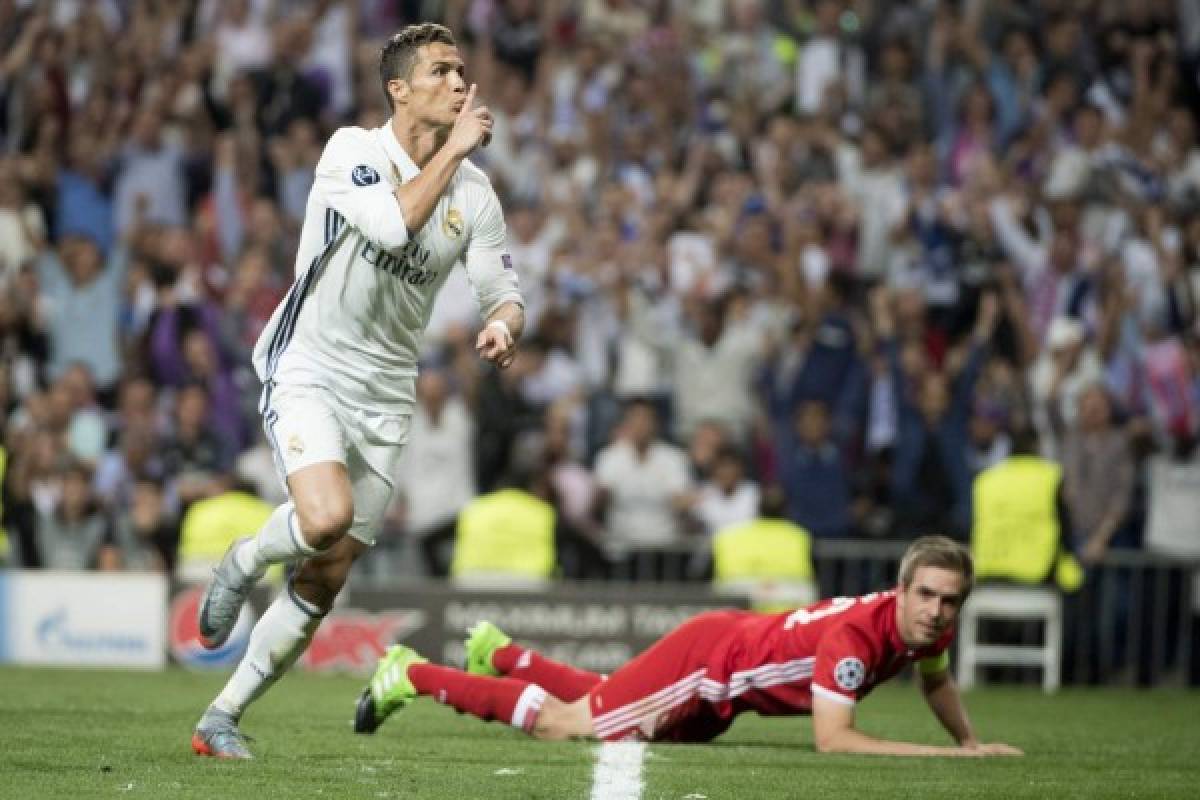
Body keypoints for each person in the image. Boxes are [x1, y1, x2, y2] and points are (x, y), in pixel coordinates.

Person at [190, 22, 524, 759]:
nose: (461, 82)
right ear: (399, 90)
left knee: (329, 567)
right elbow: (396, 225)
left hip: (386, 393)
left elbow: (504, 288)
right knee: (325, 514)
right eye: (442, 71)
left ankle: (222, 717)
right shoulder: (353, 152)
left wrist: (504, 323)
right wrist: (459, 149)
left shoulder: (477, 194)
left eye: (464, 70)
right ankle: (244, 562)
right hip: (309, 363)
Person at [354, 536, 1024, 756]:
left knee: (607, 702)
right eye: (928, 596)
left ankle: (503, 657)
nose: (938, 612)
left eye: (950, 600)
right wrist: (951, 760)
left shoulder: (922, 630)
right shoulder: (858, 637)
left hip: (726, 686)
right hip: (712, 666)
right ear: (901, 590)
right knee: (574, 727)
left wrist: (966, 740)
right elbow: (834, 739)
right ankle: (413, 674)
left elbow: (936, 682)